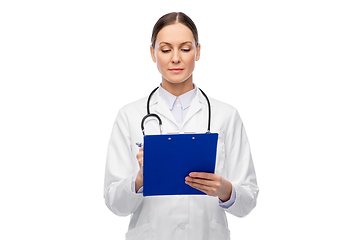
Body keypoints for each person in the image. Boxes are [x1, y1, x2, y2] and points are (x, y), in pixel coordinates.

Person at [104, 12, 259, 240]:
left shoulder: (226, 115)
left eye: (185, 49)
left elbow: (248, 200)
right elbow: (114, 203)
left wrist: (224, 190)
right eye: (165, 49)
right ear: (152, 53)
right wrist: (140, 179)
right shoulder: (130, 115)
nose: (175, 58)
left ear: (198, 51)